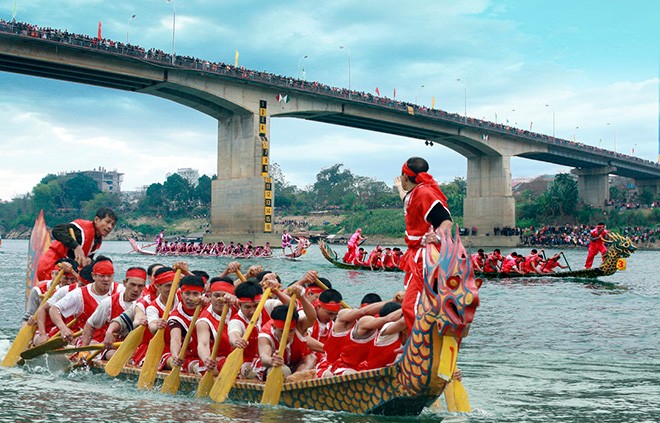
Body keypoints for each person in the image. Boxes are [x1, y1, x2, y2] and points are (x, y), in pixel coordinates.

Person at [394, 157, 452, 332]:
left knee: (411, 306)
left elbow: (446, 221)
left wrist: (437, 237)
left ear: (405, 175)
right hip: (415, 254)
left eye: (401, 177)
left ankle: (422, 343)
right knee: (411, 305)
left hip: (425, 256)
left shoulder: (425, 193)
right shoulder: (414, 193)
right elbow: (407, 199)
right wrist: (398, 188)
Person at [48, 258, 123, 345]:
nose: (106, 279)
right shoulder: (79, 294)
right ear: (93, 276)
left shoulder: (121, 290)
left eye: (109, 276)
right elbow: (53, 309)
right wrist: (63, 328)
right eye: (102, 276)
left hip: (115, 340)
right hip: (88, 340)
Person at [81, 267, 147, 360]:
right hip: (112, 347)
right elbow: (90, 325)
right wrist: (83, 351)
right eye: (132, 284)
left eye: (140, 286)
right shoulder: (109, 302)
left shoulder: (147, 302)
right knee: (112, 354)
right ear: (124, 283)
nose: (136, 289)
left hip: (138, 348)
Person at [36, 207, 117, 281]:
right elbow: (56, 230)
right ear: (96, 220)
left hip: (67, 271)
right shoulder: (80, 229)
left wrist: (90, 260)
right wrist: (76, 247)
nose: (110, 226)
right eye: (107, 222)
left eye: (112, 224)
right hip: (50, 266)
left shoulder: (97, 239)